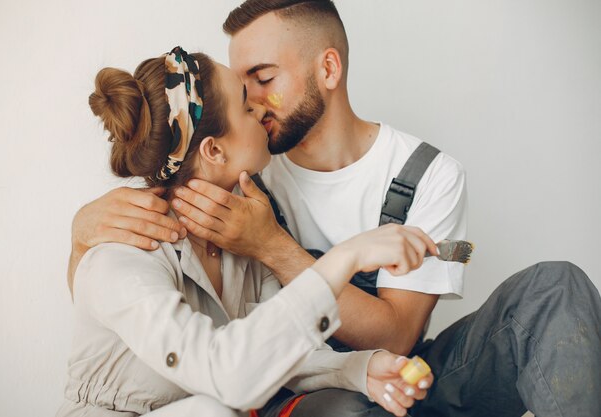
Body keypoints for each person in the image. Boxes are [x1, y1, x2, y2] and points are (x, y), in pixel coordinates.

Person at [70, 1, 601, 416]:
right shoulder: (245, 185)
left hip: (389, 370)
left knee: (556, 287)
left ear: (328, 68)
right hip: (308, 404)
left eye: (265, 78)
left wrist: (273, 248)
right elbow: (131, 286)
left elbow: (397, 336)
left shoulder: (429, 176)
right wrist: (80, 232)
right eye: (244, 88)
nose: (254, 102)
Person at [58, 46, 438, 417]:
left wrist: (359, 370)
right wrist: (348, 256)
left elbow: (269, 350)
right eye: (244, 103)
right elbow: (226, 374)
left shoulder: (241, 231)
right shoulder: (123, 255)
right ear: (214, 152)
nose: (260, 106)